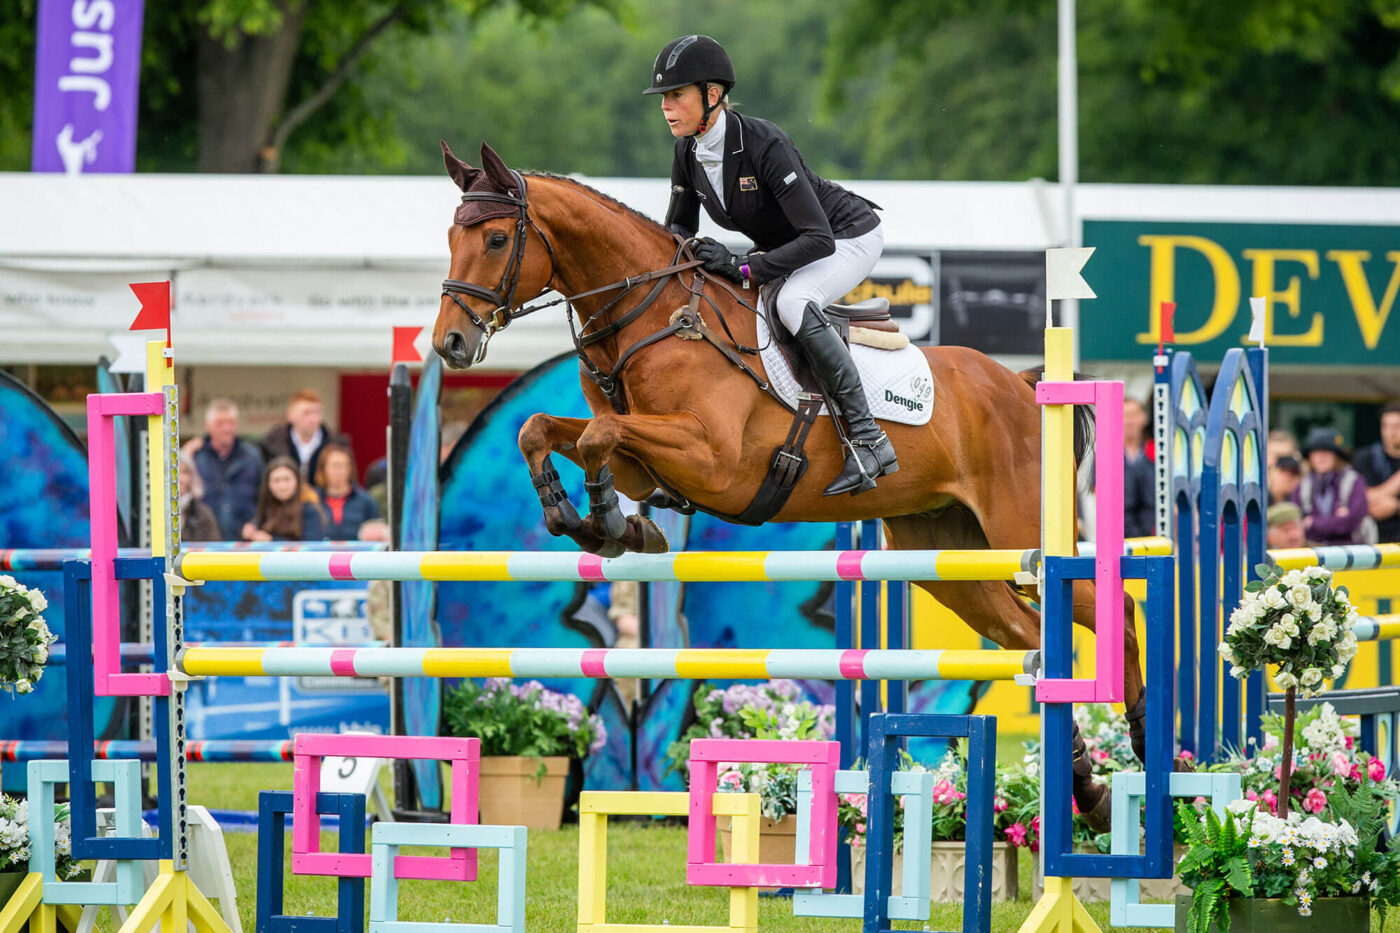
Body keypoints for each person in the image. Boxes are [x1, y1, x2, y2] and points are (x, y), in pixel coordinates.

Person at [645, 35, 896, 496]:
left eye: (677, 95)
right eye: (663, 98)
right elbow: (677, 230)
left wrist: (743, 267)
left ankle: (867, 439)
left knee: (794, 303)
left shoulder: (763, 142)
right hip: (796, 246)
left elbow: (817, 239)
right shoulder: (686, 151)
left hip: (847, 236)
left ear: (712, 95)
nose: (666, 107)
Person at [193, 398, 264, 539]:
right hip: (204, 544)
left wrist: (255, 524)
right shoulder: (196, 457)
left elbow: (265, 497)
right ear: (208, 425)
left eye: (231, 423)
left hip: (244, 544)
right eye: (220, 423)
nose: (227, 429)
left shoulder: (252, 456)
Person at [1292, 427, 1371, 547]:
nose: (1321, 457)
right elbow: (1297, 524)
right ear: (1310, 457)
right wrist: (1336, 520)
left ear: (1337, 456)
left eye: (1326, 452)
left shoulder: (1354, 481)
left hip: (1351, 555)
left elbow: (1350, 523)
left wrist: (1313, 522)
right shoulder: (1303, 485)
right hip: (1312, 555)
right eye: (1316, 452)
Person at [260, 389, 351, 481]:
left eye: (316, 412)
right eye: (306, 413)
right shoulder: (270, 444)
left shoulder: (338, 443)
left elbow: (350, 480)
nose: (312, 419)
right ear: (290, 415)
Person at [243, 456, 328, 541]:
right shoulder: (264, 508)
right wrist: (250, 531)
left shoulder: (310, 511)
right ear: (268, 484)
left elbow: (312, 546)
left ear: (297, 481)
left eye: (286, 479)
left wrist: (271, 541)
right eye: (276, 480)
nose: (282, 486)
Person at [1354, 400, 1400, 544]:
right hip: (1373, 542)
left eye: (1397, 426)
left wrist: (1396, 507)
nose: (1390, 432)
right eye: (1385, 426)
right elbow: (1362, 498)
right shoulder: (1366, 457)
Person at [314, 444, 381, 540]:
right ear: (323, 469)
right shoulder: (312, 500)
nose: (340, 471)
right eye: (335, 466)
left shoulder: (366, 501)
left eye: (344, 465)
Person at [1121, 398, 1156, 538]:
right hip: (1118, 530)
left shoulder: (1155, 450)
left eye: (1134, 415)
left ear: (1144, 418)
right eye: (1125, 415)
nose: (1130, 421)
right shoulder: (1107, 452)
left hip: (1153, 532)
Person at [178, 453, 221, 542]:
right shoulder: (156, 513)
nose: (180, 479)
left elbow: (214, 549)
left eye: (184, 472)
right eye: (175, 473)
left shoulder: (203, 514)